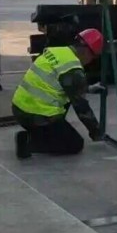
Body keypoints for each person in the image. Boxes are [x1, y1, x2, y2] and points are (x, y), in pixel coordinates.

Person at [12, 29, 106, 157]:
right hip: (37, 116)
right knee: (75, 144)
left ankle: (39, 134)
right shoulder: (73, 69)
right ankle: (29, 144)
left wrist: (87, 88)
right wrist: (96, 132)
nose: (91, 61)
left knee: (66, 100)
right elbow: (81, 107)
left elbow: (63, 83)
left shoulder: (58, 51)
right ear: (87, 51)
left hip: (19, 109)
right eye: (94, 57)